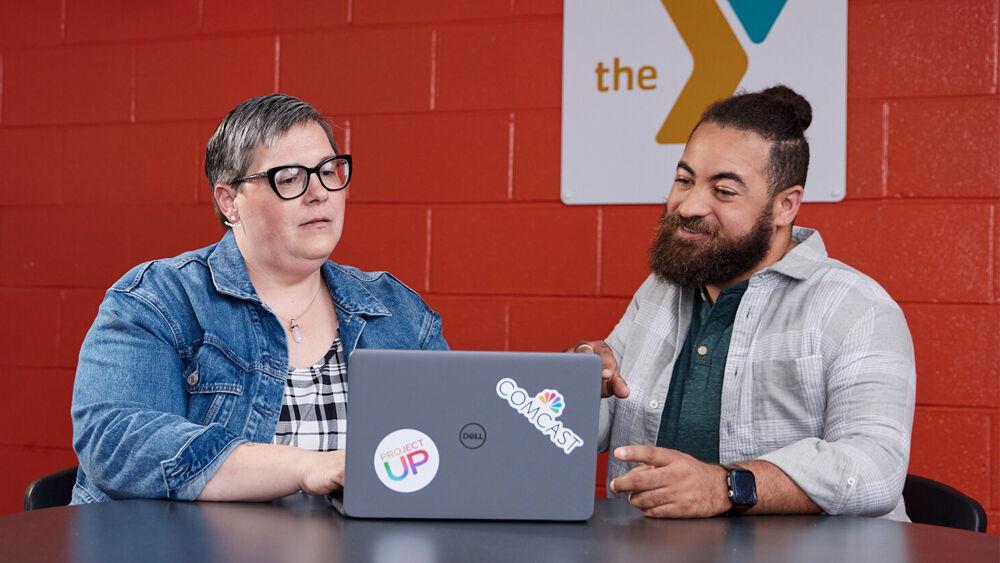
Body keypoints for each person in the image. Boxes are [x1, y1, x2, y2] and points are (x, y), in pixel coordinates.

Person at [71, 94, 447, 504]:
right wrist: (306, 467)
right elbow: (117, 441)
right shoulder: (157, 300)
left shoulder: (398, 312)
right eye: (289, 178)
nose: (319, 192)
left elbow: (454, 445)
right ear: (230, 202)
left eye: (329, 171)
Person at [574, 85, 915, 520]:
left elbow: (876, 469)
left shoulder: (857, 308)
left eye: (725, 191)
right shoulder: (660, 290)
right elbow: (594, 426)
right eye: (684, 180)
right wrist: (578, 376)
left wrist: (727, 486)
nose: (690, 204)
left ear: (785, 206)